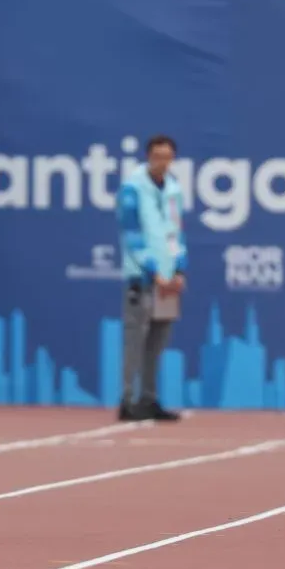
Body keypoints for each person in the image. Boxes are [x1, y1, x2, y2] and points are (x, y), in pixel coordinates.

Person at [115, 134, 185, 423]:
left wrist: (178, 269)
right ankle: (127, 401)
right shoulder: (132, 187)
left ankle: (149, 399)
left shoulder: (174, 188)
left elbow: (176, 232)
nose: (162, 162)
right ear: (148, 156)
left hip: (167, 280)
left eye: (167, 157)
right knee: (135, 341)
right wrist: (153, 270)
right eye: (157, 157)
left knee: (157, 343)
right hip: (142, 278)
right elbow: (131, 234)